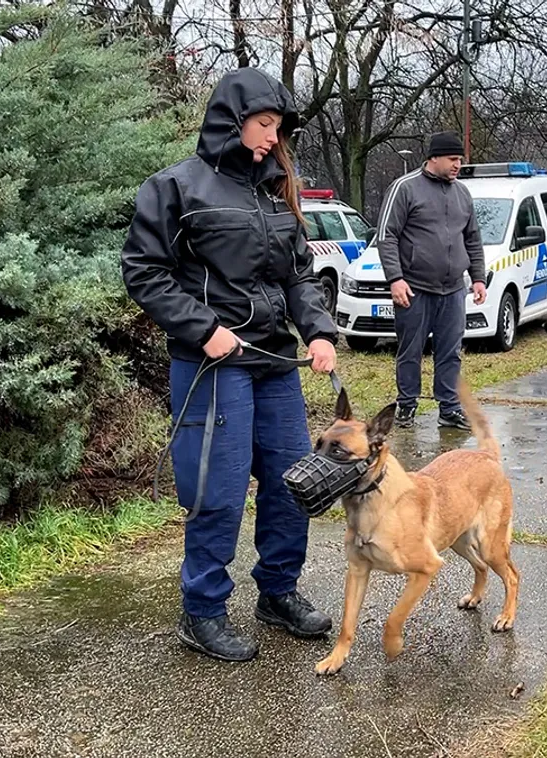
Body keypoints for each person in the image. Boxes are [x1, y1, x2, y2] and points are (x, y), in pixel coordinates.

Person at [121, 67, 338, 663]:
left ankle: (278, 592)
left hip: (274, 362)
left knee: (296, 483)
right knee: (218, 490)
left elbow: (296, 275)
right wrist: (204, 329)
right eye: (265, 124)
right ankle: (204, 611)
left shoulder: (272, 196)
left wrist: (318, 332)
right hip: (214, 364)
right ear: (232, 118)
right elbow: (144, 272)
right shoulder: (176, 188)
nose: (273, 138)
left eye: (278, 128)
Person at [375, 131, 487, 430]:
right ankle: (406, 405)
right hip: (414, 288)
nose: (457, 165)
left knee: (450, 351)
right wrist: (395, 279)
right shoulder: (405, 188)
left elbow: (473, 238)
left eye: (460, 160)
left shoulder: (462, 193)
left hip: (452, 288)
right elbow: (386, 236)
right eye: (452, 159)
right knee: (410, 350)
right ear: (433, 158)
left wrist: (478, 278)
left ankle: (449, 408)